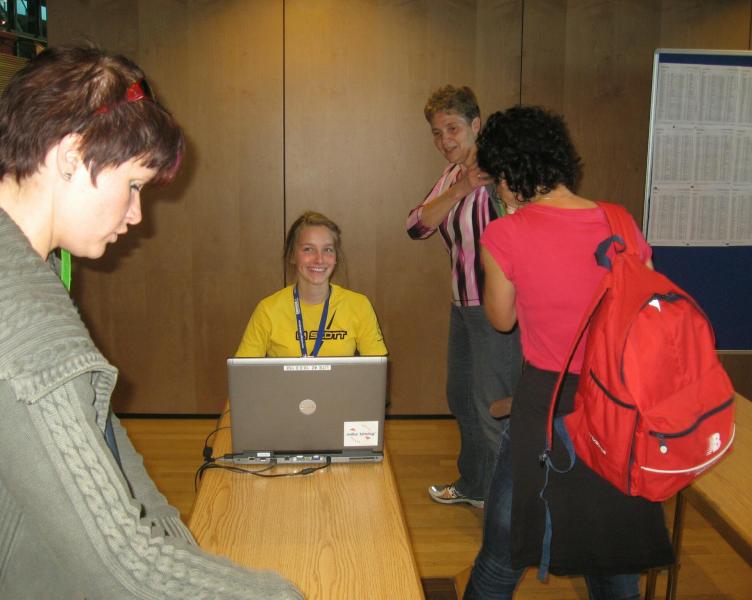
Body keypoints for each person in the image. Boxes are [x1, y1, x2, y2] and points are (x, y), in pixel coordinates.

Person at [0, 45, 300, 599]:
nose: (137, 215)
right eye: (133, 185)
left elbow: (98, 433)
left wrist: (177, 542)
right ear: (71, 154)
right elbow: (118, 564)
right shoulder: (10, 314)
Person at [464, 105, 673, 599]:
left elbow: (501, 319)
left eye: (497, 183)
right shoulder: (620, 221)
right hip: (620, 405)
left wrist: (512, 230)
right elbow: (649, 308)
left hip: (549, 402)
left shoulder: (505, 233)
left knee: (505, 546)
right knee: (612, 550)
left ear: (509, 175)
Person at [406, 85, 521, 508]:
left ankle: (508, 509)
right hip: (462, 307)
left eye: (453, 128)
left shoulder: (499, 171)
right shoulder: (453, 175)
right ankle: (476, 484)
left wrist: (479, 184)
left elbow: (523, 230)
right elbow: (417, 225)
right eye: (437, 132)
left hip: (495, 312)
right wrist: (459, 188)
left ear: (476, 125)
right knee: (461, 398)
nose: (445, 140)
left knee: (492, 407)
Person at [237, 211, 387, 357]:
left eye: (328, 249)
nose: (319, 259)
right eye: (308, 249)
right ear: (292, 255)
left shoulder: (359, 306)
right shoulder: (268, 310)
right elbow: (245, 372)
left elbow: (376, 370)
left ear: (336, 257)